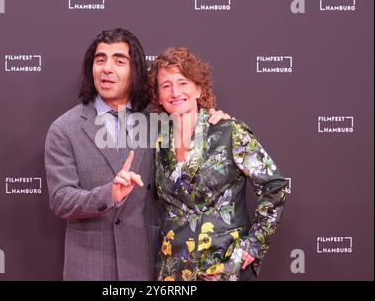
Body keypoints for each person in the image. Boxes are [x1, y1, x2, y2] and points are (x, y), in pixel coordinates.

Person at [44, 29, 230, 280]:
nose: (107, 68)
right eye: (100, 60)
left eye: (119, 61)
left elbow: (193, 134)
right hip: (90, 268)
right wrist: (109, 194)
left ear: (135, 70)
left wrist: (214, 122)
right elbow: (61, 199)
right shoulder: (64, 128)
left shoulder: (159, 122)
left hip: (147, 264)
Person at [146, 47, 290, 281]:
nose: (175, 92)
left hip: (224, 269)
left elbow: (275, 186)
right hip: (173, 270)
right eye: (166, 85)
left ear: (198, 89)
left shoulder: (228, 131)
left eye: (183, 82)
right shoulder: (158, 141)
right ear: (159, 97)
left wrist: (253, 246)